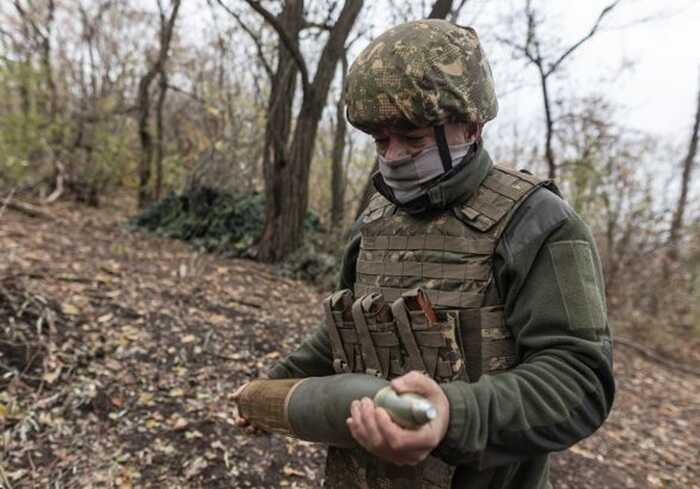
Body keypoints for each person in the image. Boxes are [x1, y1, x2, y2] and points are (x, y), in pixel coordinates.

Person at [233, 19, 615, 489]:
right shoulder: (375, 219)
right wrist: (276, 385)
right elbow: (345, 331)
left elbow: (579, 382)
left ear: (471, 125)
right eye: (379, 139)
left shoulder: (538, 223)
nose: (392, 156)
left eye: (411, 137)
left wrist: (451, 416)